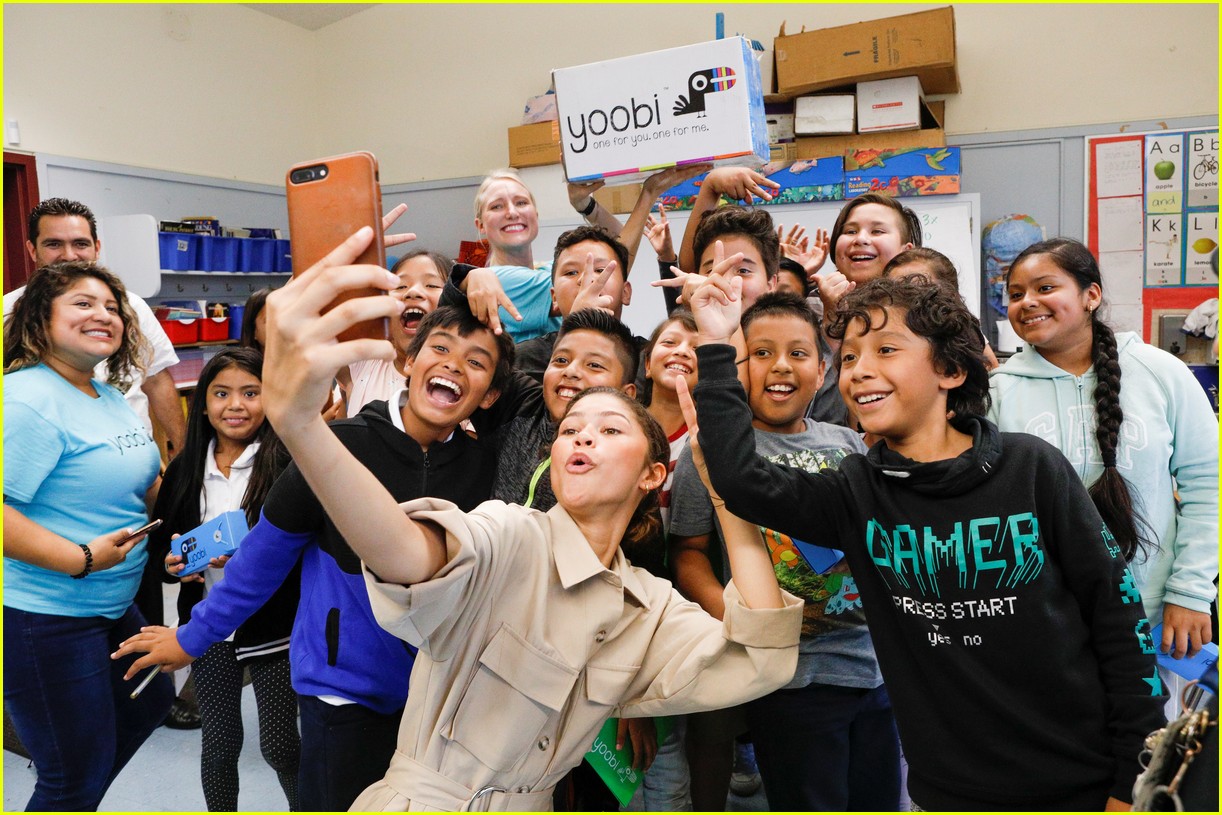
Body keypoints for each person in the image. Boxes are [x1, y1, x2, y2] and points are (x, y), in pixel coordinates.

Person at [237, 225, 803, 810]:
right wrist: (302, 427)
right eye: (571, 430)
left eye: (610, 429)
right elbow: (406, 554)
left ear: (652, 474)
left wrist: (727, 494)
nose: (582, 436)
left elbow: (762, 658)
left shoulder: (644, 608)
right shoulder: (508, 534)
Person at [686, 270, 1167, 810]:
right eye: (849, 357)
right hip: (949, 791)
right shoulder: (855, 492)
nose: (859, 370)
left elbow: (1118, 620)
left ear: (951, 370)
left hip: (1083, 780)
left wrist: (1133, 776)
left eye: (886, 349)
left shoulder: (1032, 468)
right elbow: (739, 479)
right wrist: (717, 340)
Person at [113, 304, 514, 811]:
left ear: (490, 395)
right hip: (342, 692)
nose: (454, 364)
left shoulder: (485, 468)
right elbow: (263, 557)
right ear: (408, 362)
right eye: (440, 348)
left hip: (437, 700)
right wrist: (192, 637)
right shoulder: (337, 446)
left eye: (476, 362)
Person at [670, 291, 898, 810]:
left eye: (798, 353)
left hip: (874, 668)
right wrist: (740, 620)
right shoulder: (711, 453)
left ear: (822, 372)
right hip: (790, 680)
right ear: (737, 370)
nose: (780, 365)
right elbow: (688, 551)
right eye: (761, 353)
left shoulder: (849, 444)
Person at [988, 238, 1218, 688]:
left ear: (1090, 295)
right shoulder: (998, 391)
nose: (1027, 302)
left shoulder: (1161, 372)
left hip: (1152, 616)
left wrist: (1189, 592)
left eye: (1044, 287)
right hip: (1041, 619)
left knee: (1148, 731)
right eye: (1015, 294)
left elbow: (1209, 485)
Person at [3, 260, 173, 810]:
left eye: (111, 307)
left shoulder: (103, 393)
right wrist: (80, 558)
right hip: (45, 613)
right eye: (82, 303)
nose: (103, 314)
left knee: (147, 704)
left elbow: (135, 479)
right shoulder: (26, 399)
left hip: (109, 603)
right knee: (71, 772)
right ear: (40, 318)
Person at [149, 347, 300, 810]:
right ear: (202, 405)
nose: (236, 405)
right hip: (207, 627)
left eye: (251, 393)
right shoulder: (185, 469)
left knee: (280, 745)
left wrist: (247, 556)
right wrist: (175, 566)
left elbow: (304, 550)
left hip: (274, 628)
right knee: (219, 744)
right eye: (221, 394)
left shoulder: (286, 465)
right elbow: (162, 552)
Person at [4, 197, 187, 456]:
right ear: (33, 250)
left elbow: (156, 380)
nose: (69, 255)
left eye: (80, 244)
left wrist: (184, 452)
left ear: (96, 248)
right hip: (52, 461)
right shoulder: (8, 311)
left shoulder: (131, 306)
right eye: (54, 244)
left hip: (135, 455)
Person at [337, 248, 449, 416]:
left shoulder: (459, 382)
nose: (413, 292)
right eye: (401, 286)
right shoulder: (365, 360)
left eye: (432, 285)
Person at [883, 246, 1001, 370]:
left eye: (919, 291)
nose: (905, 300)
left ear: (951, 296)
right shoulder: (877, 336)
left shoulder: (965, 340)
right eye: (894, 292)